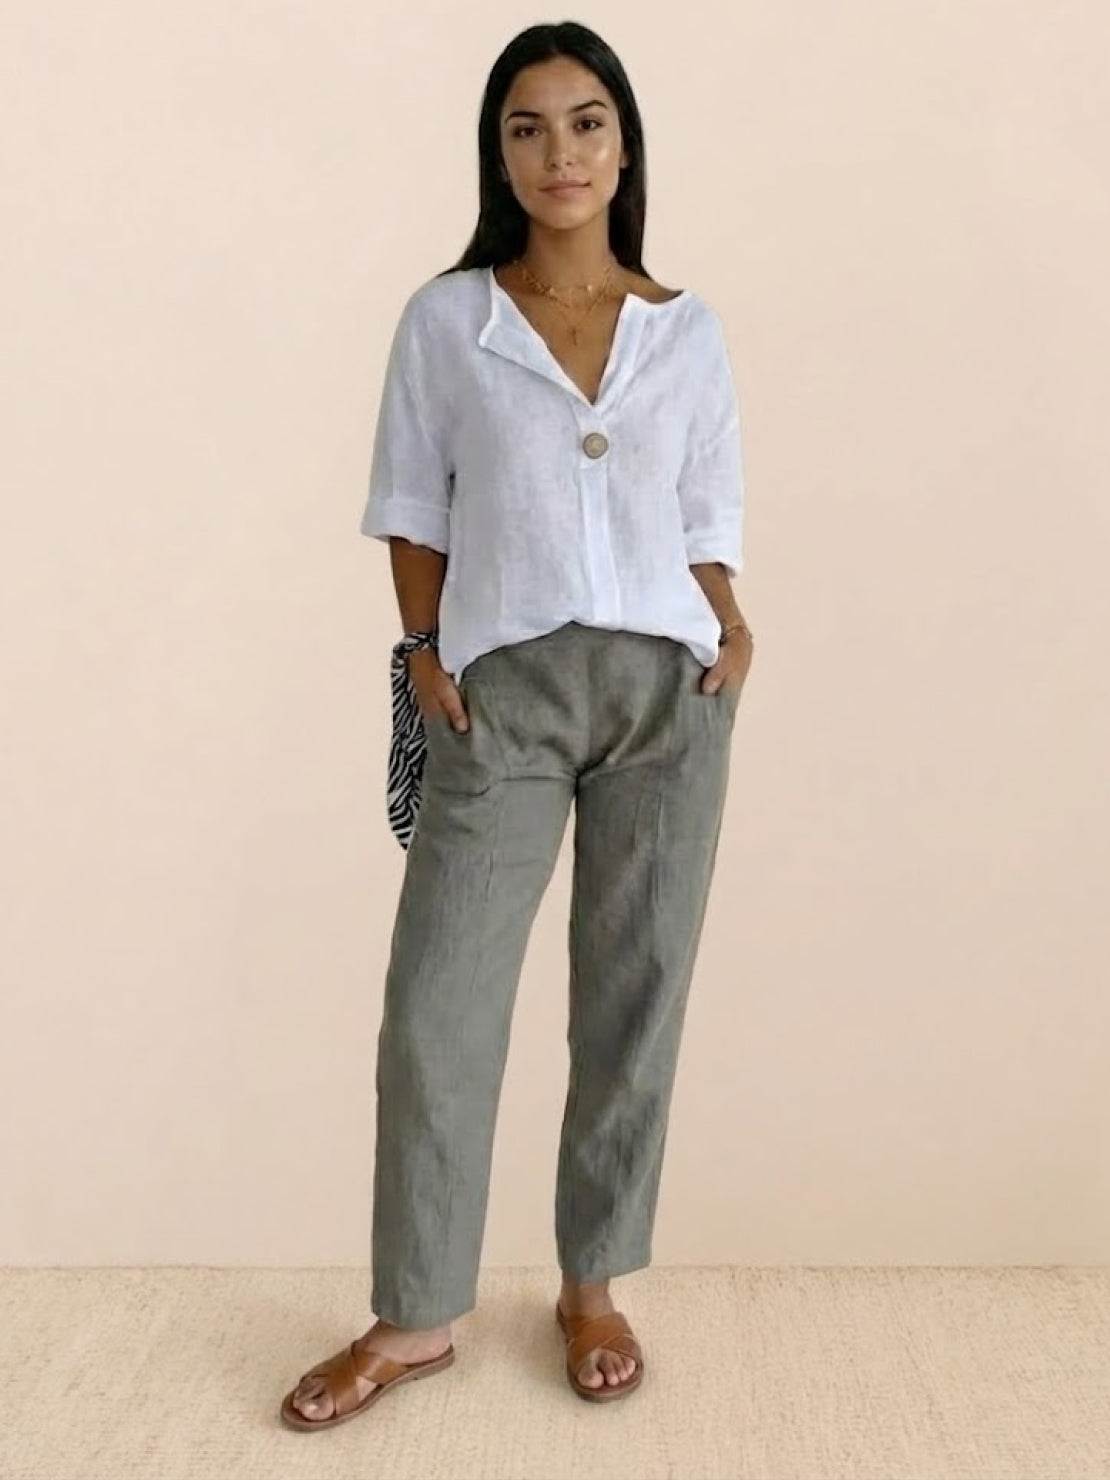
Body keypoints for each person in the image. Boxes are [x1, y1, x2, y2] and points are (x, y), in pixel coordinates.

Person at [280, 19, 754, 1431]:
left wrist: (731, 625)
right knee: (439, 1007)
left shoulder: (686, 328)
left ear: (625, 146)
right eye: (527, 127)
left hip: (670, 693)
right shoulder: (450, 320)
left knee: (634, 995)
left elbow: (705, 515)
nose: (561, 153)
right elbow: (411, 505)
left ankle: (592, 1285)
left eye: (587, 122)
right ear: (498, 155)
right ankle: (417, 1314)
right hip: (503, 691)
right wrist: (423, 650)